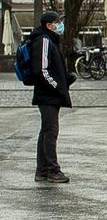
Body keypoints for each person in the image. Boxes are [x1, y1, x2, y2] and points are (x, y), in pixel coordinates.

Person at [30, 11, 74, 183]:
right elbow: (41, 70)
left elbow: (53, 67)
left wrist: (66, 78)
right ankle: (52, 170)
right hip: (47, 95)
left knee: (46, 131)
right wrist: (56, 86)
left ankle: (42, 170)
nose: (60, 25)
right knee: (51, 132)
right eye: (57, 22)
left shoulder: (51, 40)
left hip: (49, 94)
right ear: (49, 26)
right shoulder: (44, 41)